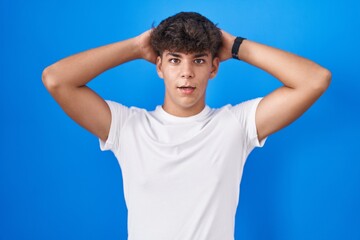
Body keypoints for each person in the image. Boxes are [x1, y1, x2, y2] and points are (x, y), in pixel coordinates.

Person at [42, 12, 331, 240]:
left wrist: (236, 46)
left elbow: (314, 80)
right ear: (159, 66)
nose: (187, 73)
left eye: (199, 60)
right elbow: (56, 79)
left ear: (214, 68)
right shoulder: (127, 126)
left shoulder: (235, 125)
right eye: (175, 60)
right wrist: (136, 47)